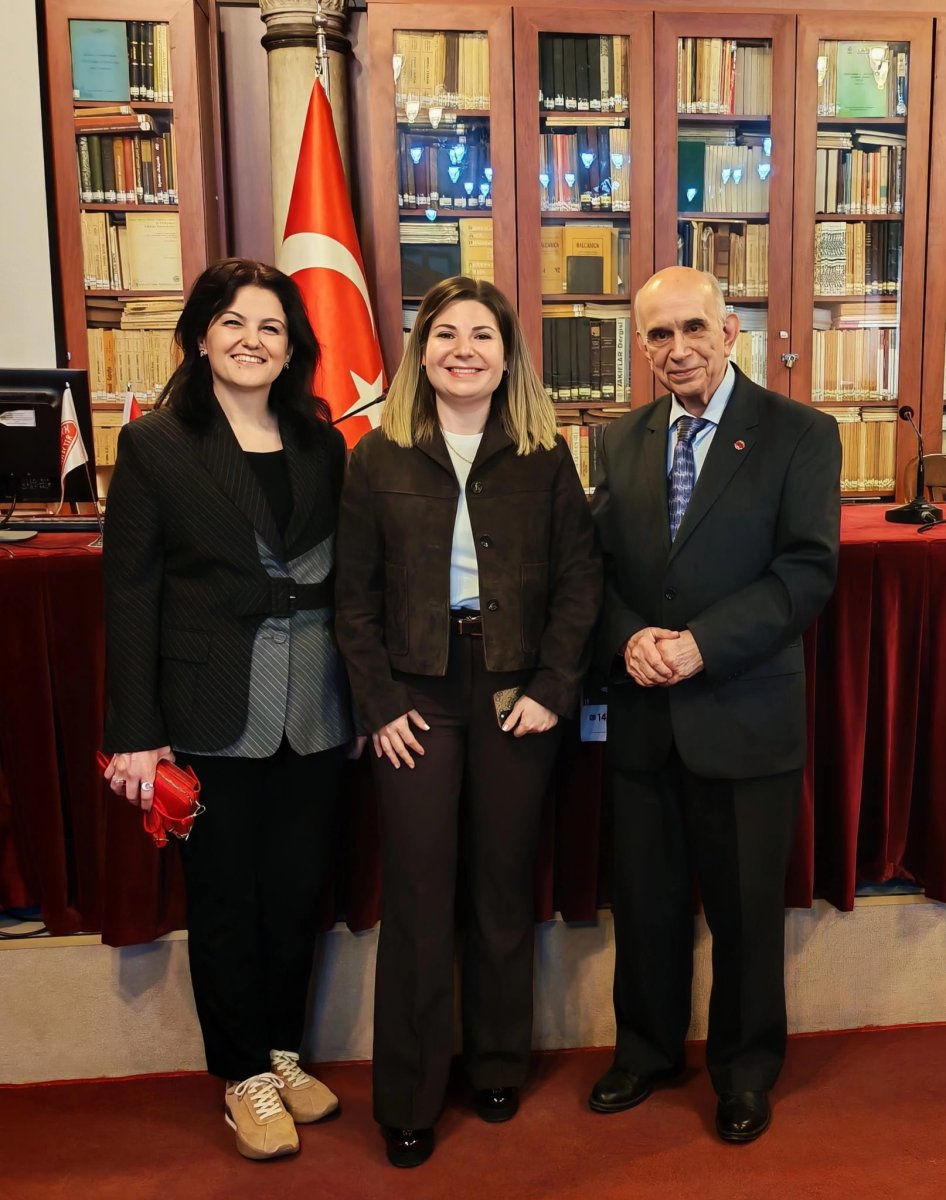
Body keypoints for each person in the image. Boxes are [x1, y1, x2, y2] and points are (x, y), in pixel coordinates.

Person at [335, 275, 601, 1168]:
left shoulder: (544, 455)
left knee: (500, 886)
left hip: (515, 690)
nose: (463, 350)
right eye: (444, 333)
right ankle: (408, 1097)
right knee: (417, 894)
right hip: (415, 695)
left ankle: (496, 1063)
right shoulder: (377, 456)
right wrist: (378, 704)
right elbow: (352, 599)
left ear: (507, 354)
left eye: (481, 335)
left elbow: (580, 582)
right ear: (421, 353)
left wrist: (553, 687)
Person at [101, 258, 360, 1161]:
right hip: (210, 705)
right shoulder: (157, 445)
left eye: (272, 327)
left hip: (317, 704)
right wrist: (136, 732)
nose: (253, 341)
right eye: (235, 322)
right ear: (202, 336)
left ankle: (283, 1052)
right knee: (224, 900)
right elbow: (129, 592)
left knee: (296, 891)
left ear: (293, 348)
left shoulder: (323, 442)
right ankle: (242, 1073)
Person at [589, 266, 841, 1143]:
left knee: (744, 913)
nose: (678, 348)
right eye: (659, 334)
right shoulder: (617, 441)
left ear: (731, 331)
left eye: (694, 328)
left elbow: (805, 572)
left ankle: (744, 1071)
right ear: (642, 345)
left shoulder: (800, 434)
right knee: (645, 904)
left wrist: (702, 643)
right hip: (643, 716)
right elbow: (598, 572)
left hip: (743, 710)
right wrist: (627, 637)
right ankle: (646, 1052)